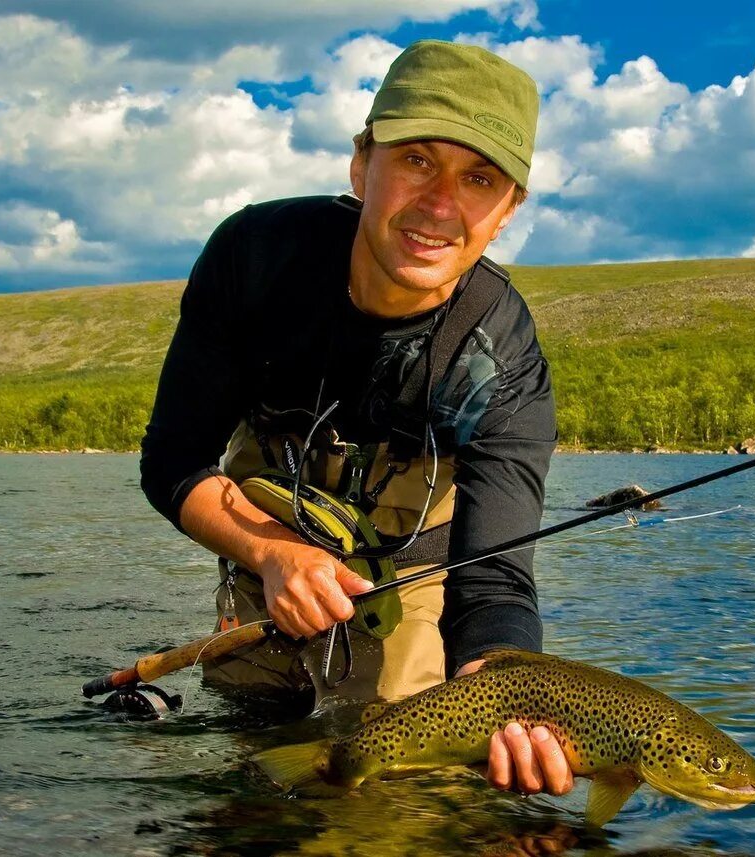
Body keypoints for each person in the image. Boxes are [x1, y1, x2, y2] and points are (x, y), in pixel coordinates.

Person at [140, 40, 572, 797]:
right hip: (268, 525)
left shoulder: (504, 360)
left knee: (387, 784)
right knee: (248, 729)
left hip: (416, 562)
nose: (441, 204)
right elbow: (173, 458)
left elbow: (496, 583)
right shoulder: (255, 259)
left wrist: (505, 692)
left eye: (479, 178)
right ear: (359, 163)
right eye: (416, 160)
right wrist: (273, 554)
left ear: (508, 212)